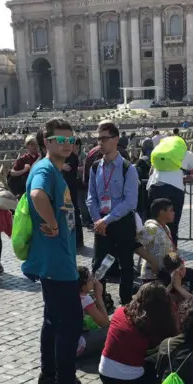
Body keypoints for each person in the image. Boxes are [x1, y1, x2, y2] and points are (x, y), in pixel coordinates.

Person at [24, 117, 102, 384]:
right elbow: (36, 194)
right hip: (57, 263)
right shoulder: (45, 169)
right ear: (47, 142)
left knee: (53, 322)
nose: (67, 145)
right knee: (69, 325)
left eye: (70, 140)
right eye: (60, 140)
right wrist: (53, 222)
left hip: (55, 262)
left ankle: (50, 376)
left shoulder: (51, 169)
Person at [87, 121, 139, 305]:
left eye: (104, 138)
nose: (100, 143)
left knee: (126, 264)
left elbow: (130, 202)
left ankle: (125, 302)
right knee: (98, 265)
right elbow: (91, 197)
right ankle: (102, 301)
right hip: (102, 224)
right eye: (98, 139)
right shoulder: (95, 167)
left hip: (122, 222)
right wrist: (97, 220)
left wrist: (107, 220)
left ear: (115, 139)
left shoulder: (128, 168)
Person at [100, 282, 178, 384]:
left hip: (105, 374)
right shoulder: (152, 324)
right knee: (168, 354)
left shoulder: (120, 311)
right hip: (132, 380)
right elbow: (170, 341)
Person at [146, 135, 193, 245]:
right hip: (174, 190)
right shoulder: (186, 154)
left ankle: (152, 254)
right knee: (172, 226)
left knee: (154, 224)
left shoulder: (159, 153)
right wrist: (188, 178)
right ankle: (171, 256)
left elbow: (150, 173)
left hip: (154, 188)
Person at [138, 198, 176, 282]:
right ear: (162, 212)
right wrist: (153, 262)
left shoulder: (165, 228)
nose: (174, 213)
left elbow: (169, 249)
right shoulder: (151, 228)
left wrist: (176, 263)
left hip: (164, 273)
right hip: (151, 275)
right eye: (171, 210)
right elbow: (137, 246)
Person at [76, 267, 110, 359]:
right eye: (91, 279)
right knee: (111, 331)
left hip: (61, 343)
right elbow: (105, 323)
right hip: (77, 347)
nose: (94, 281)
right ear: (83, 285)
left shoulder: (69, 293)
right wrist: (98, 295)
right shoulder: (85, 299)